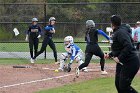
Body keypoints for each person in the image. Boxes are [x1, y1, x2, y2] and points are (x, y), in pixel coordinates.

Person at [106, 15, 140, 93]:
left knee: (124, 86)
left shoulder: (121, 32)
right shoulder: (118, 32)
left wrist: (119, 57)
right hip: (122, 62)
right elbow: (119, 48)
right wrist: (111, 54)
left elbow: (128, 46)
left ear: (112, 24)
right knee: (118, 84)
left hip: (130, 62)